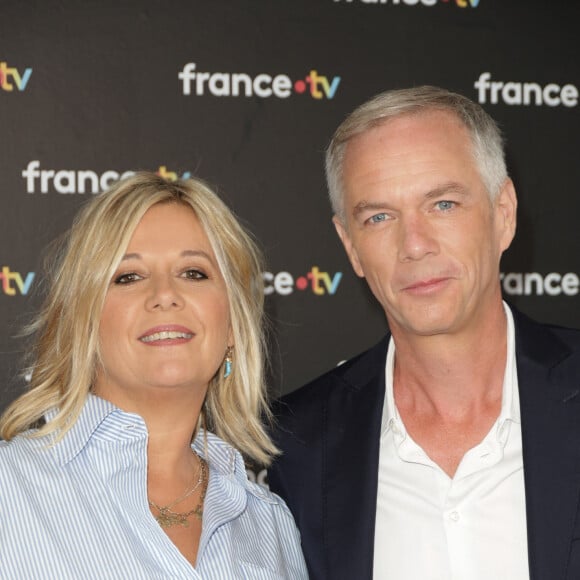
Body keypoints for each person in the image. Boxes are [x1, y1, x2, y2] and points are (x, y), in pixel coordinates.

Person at [268, 86, 580, 580]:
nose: (413, 244)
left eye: (443, 205)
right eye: (379, 217)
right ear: (351, 248)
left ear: (504, 214)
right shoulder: (297, 446)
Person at [0, 172, 308, 579]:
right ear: (84, 322)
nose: (165, 294)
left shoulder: (269, 523)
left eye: (194, 273)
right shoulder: (10, 488)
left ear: (233, 325)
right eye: (128, 277)